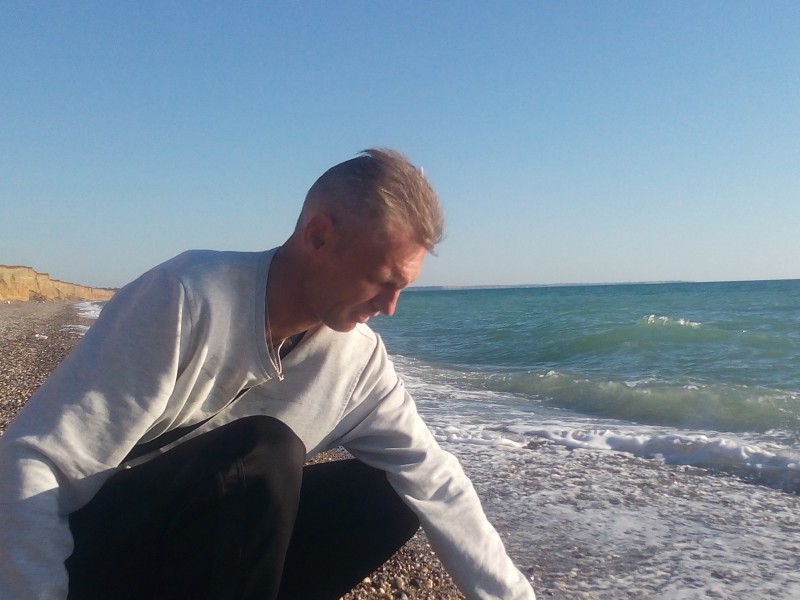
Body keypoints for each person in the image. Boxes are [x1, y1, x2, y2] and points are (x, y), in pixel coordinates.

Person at [0, 149, 536, 600]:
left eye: (403, 288)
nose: (391, 307)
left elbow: (438, 481)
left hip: (202, 561)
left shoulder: (359, 362)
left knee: (392, 492)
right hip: (88, 555)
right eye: (380, 280)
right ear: (319, 236)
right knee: (263, 452)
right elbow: (35, 462)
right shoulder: (186, 297)